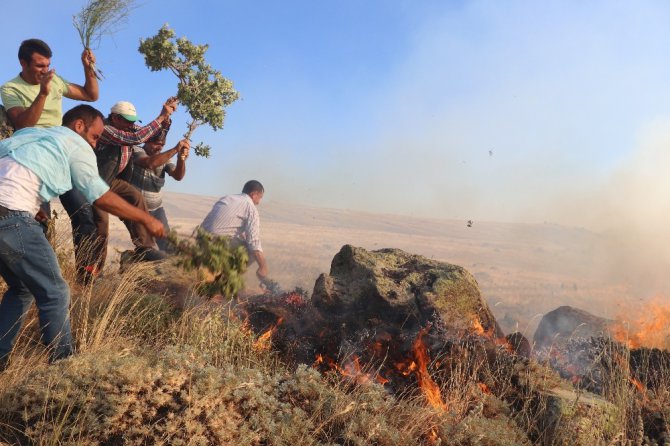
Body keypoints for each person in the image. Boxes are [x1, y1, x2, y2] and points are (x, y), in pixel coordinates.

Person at [0, 104, 165, 369]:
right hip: (12, 217)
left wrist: (37, 205)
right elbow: (98, 195)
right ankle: (63, 368)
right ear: (79, 126)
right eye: (95, 136)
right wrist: (145, 218)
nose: (95, 144)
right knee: (55, 292)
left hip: (8, 213)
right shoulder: (75, 144)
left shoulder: (30, 134)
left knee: (21, 289)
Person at [0, 38, 100, 283]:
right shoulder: (10, 88)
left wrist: (88, 68)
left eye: (48, 66)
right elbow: (23, 124)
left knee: (85, 216)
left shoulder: (55, 81)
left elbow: (91, 95)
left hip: (61, 157)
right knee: (40, 226)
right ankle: (44, 282)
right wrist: (43, 93)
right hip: (32, 160)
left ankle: (84, 282)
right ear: (23, 63)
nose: (45, 71)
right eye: (39, 66)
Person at [89, 98, 180, 272]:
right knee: (101, 227)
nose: (132, 125)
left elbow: (151, 135)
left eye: (133, 121)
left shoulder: (126, 127)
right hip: (96, 182)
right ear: (115, 117)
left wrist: (167, 118)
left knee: (135, 197)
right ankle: (94, 271)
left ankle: (144, 247)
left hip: (112, 180)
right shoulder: (106, 130)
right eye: (128, 121)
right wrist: (160, 118)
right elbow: (137, 137)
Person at [129, 124, 190, 252]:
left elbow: (178, 176)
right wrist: (174, 150)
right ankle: (133, 266)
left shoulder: (164, 159)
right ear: (147, 141)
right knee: (145, 247)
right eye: (156, 143)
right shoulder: (136, 150)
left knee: (168, 246)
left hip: (157, 210)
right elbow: (149, 163)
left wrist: (181, 159)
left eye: (162, 145)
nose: (159, 147)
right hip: (137, 210)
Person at [200, 180, 269, 281]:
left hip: (201, 238)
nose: (258, 202)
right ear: (254, 195)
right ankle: (226, 281)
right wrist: (263, 267)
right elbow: (254, 242)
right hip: (218, 242)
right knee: (250, 251)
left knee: (241, 243)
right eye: (260, 197)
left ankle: (218, 273)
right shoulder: (251, 208)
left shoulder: (227, 198)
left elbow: (226, 225)